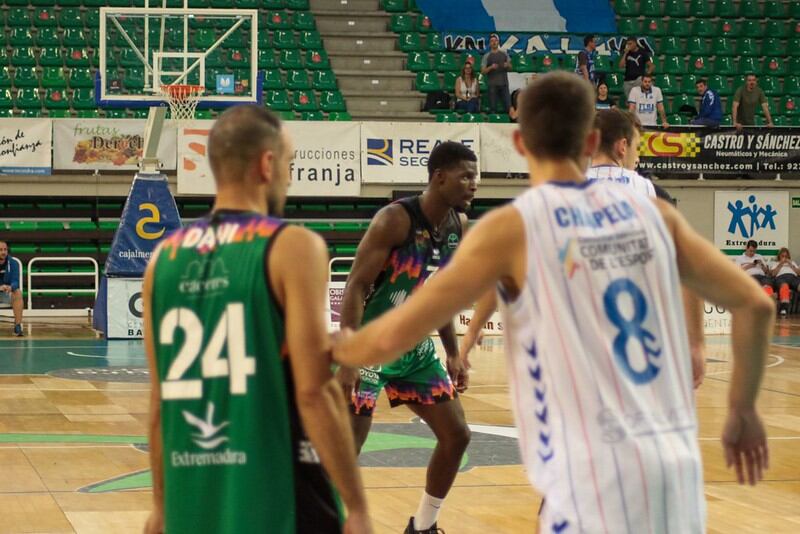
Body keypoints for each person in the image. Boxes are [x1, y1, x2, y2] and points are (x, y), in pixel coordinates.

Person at [333, 72, 772, 533]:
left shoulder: (512, 229)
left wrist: (327, 352)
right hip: (674, 471)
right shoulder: (654, 210)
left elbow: (398, 330)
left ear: (520, 143)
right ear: (591, 140)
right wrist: (742, 409)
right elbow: (756, 306)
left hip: (590, 475)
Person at [142, 106, 371, 534]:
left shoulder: (162, 260)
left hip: (193, 498)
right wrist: (356, 505)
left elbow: (159, 403)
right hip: (279, 494)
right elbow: (313, 391)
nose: (289, 175)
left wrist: (160, 506)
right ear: (268, 164)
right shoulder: (293, 247)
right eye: (290, 164)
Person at [335, 141, 477, 534]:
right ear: (439, 176)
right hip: (369, 345)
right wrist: (347, 357)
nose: (474, 184)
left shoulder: (456, 226)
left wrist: (452, 354)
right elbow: (355, 287)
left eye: (475, 176)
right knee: (348, 449)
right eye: (466, 176)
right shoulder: (394, 220)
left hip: (414, 348)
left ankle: (424, 526)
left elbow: (440, 293)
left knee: (457, 435)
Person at [480, 34, 512, 113]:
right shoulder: (486, 56)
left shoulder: (504, 54)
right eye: (492, 41)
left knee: (508, 106)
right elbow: (483, 71)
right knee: (493, 108)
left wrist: (507, 65)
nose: (494, 42)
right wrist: (491, 67)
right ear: (490, 43)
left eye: (495, 41)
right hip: (492, 85)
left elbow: (511, 68)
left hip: (504, 84)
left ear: (498, 42)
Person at [0, 241, 23, 336]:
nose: (3, 252)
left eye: (5, 249)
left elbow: (16, 281)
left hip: (7, 293)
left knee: (17, 292)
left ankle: (17, 326)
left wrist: (10, 287)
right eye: (0, 250)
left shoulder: (13, 263)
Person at [769, 247, 800, 316]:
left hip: (793, 277)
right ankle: (784, 309)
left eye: (786, 256)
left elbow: (798, 273)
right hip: (781, 278)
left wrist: (791, 265)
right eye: (782, 256)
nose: (784, 258)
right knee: (784, 286)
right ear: (779, 256)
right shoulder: (775, 263)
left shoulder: (792, 262)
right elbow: (773, 274)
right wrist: (780, 264)